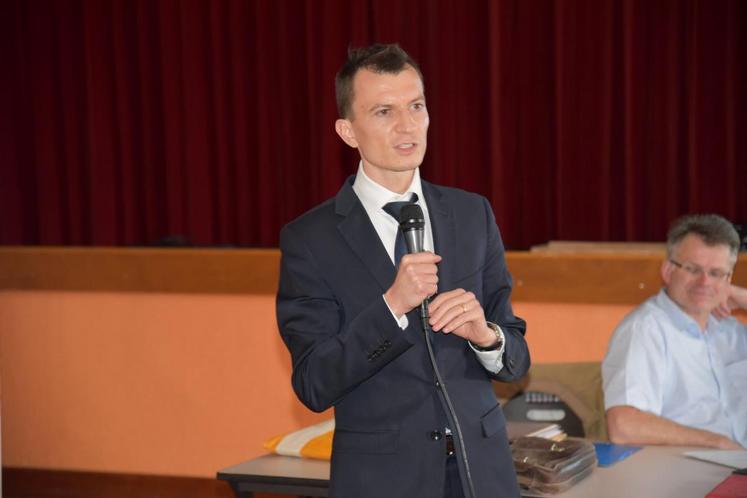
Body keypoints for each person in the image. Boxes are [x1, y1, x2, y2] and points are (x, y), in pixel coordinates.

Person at [276, 44, 530, 498]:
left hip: (482, 473)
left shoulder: (472, 214)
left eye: (416, 106)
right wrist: (392, 307)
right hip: (383, 481)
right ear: (348, 131)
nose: (407, 125)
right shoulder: (309, 241)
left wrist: (486, 335)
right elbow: (314, 383)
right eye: (383, 112)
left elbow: (516, 358)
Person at [602, 214, 747, 449]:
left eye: (716, 273)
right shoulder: (646, 329)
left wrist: (743, 297)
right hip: (696, 472)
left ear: (729, 279)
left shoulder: (732, 332)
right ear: (668, 271)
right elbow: (623, 426)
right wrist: (719, 443)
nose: (705, 282)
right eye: (693, 269)